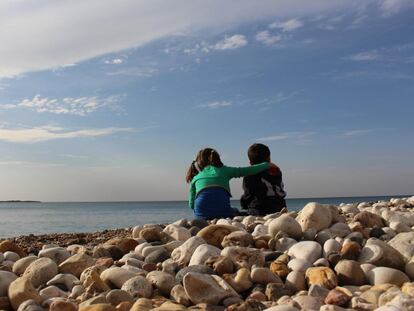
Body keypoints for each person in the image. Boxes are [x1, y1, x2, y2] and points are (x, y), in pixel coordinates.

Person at [186, 147, 275, 220]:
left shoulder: (196, 178)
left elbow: (191, 205)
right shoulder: (225, 170)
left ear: (199, 164)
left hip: (201, 216)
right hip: (224, 214)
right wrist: (266, 164)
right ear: (217, 158)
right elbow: (247, 170)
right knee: (235, 210)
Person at [240, 143, 287, 216]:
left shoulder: (250, 173)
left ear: (250, 161)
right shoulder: (277, 171)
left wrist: (243, 204)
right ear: (269, 158)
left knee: (236, 212)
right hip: (280, 206)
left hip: (260, 209)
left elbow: (248, 195)